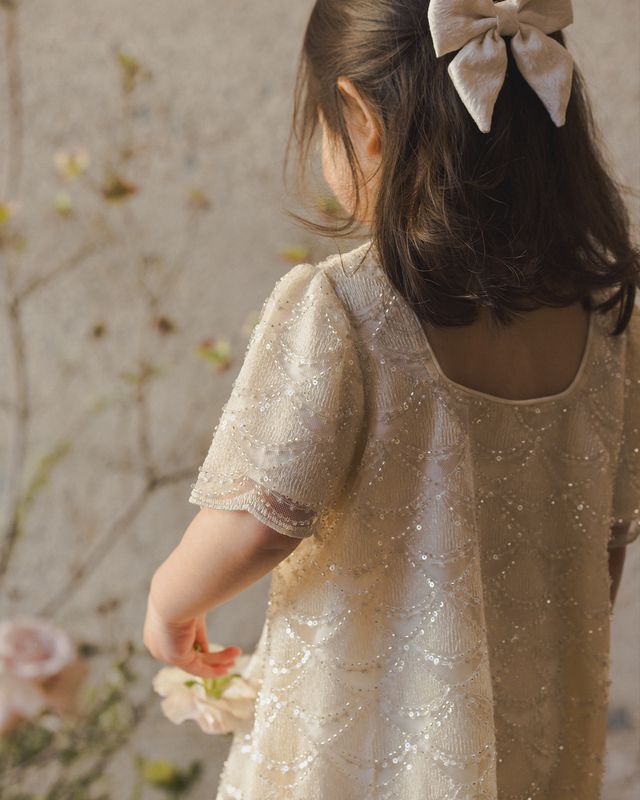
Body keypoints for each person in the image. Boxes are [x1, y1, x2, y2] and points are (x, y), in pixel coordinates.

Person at [143, 1, 640, 797]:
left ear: (360, 119)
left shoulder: (347, 310)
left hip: (368, 741)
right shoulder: (610, 323)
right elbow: (602, 546)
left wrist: (171, 602)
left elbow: (261, 521)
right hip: (536, 733)